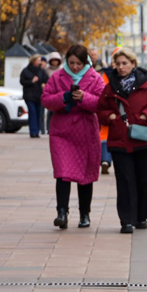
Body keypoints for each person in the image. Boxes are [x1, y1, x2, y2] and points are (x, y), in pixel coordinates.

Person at [97, 47, 147, 234]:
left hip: (143, 138)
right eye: (117, 64)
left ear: (133, 64)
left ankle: (141, 216)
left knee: (142, 179)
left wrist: (146, 115)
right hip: (120, 139)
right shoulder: (110, 87)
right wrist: (109, 116)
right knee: (125, 180)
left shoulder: (146, 84)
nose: (121, 67)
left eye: (124, 63)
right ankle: (126, 220)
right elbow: (100, 109)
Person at [40, 44, 105, 229]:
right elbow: (45, 100)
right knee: (62, 173)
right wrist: (64, 97)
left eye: (78, 63)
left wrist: (83, 97)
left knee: (85, 175)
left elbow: (101, 103)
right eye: (71, 63)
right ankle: (62, 212)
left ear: (85, 62)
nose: (75, 67)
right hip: (62, 133)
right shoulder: (57, 77)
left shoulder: (95, 78)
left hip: (85, 132)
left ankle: (85, 214)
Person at [19, 54, 48, 138]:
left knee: (38, 113)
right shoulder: (25, 71)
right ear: (33, 61)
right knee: (32, 113)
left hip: (39, 95)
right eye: (38, 60)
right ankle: (33, 132)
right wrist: (31, 81)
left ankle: (37, 131)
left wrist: (44, 84)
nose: (40, 62)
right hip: (29, 96)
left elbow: (46, 80)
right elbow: (22, 81)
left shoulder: (41, 71)